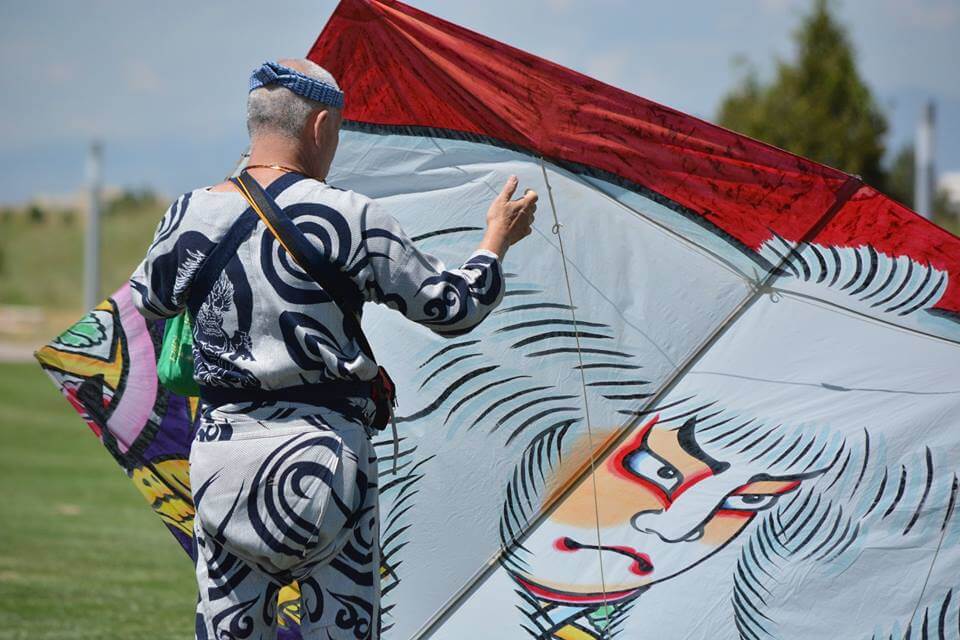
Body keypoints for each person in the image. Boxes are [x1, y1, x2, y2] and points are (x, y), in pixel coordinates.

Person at [129, 58, 537, 639]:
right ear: (321, 126)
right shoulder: (352, 216)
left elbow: (150, 301)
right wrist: (495, 240)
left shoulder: (190, 212)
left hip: (221, 462)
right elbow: (451, 309)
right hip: (326, 464)